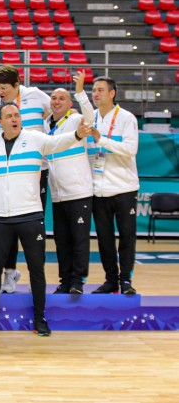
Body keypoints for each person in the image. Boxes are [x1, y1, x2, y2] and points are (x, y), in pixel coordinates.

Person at [0, 103, 92, 336]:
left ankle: (40, 319)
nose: (14, 119)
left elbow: (59, 142)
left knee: (36, 269)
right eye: (9, 116)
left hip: (30, 215)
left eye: (17, 115)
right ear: (0, 122)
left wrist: (77, 135)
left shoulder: (36, 139)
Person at [0, 65, 51, 294]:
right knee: (3, 222)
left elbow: (55, 109)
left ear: (17, 85)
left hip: (34, 169)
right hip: (2, 170)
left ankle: (33, 277)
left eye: (4, 88)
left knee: (31, 225)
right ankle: (9, 272)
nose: (0, 92)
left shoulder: (36, 95)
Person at [87, 76, 140, 295]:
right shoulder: (90, 118)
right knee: (104, 239)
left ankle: (126, 280)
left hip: (124, 188)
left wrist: (101, 139)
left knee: (127, 236)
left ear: (112, 93)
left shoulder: (126, 118)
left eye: (100, 90)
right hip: (98, 190)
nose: (95, 94)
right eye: (93, 90)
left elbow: (130, 149)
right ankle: (110, 280)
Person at [45, 71, 95, 294]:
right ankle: (65, 280)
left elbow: (90, 118)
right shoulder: (46, 125)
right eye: (54, 98)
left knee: (79, 240)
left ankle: (78, 281)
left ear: (69, 104)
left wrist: (80, 92)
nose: (57, 102)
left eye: (62, 98)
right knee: (62, 240)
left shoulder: (76, 120)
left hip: (78, 192)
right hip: (58, 194)